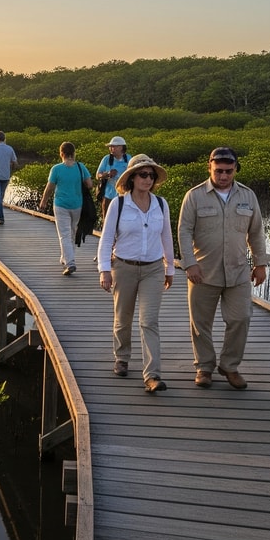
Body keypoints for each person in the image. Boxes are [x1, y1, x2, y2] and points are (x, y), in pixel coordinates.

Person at [179, 147, 270, 390]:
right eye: (218, 170)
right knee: (201, 323)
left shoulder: (248, 196)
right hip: (203, 271)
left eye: (228, 171)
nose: (223, 175)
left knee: (240, 318)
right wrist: (189, 264)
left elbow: (256, 232)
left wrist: (260, 264)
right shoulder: (194, 196)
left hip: (238, 271)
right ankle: (204, 367)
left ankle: (229, 365)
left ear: (235, 170)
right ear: (209, 168)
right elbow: (184, 231)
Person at [98, 154, 175, 393]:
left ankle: (152, 375)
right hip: (123, 266)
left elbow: (166, 237)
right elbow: (107, 237)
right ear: (131, 178)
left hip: (153, 268)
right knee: (123, 318)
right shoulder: (119, 204)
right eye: (143, 174)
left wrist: (170, 267)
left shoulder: (161, 204)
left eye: (151, 175)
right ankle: (122, 356)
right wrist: (105, 270)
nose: (148, 179)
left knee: (149, 321)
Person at [38, 142, 94, 275]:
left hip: (61, 205)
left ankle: (70, 262)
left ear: (61, 154)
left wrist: (43, 201)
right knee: (72, 233)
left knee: (64, 234)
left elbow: (50, 187)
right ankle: (66, 258)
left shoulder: (56, 169)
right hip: (77, 205)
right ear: (74, 153)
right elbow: (90, 185)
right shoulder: (81, 167)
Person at [96, 136, 130, 204]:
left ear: (121, 147)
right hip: (108, 195)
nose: (111, 149)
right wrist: (107, 174)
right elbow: (98, 175)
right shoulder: (106, 159)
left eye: (113, 146)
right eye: (110, 147)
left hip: (125, 195)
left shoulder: (129, 158)